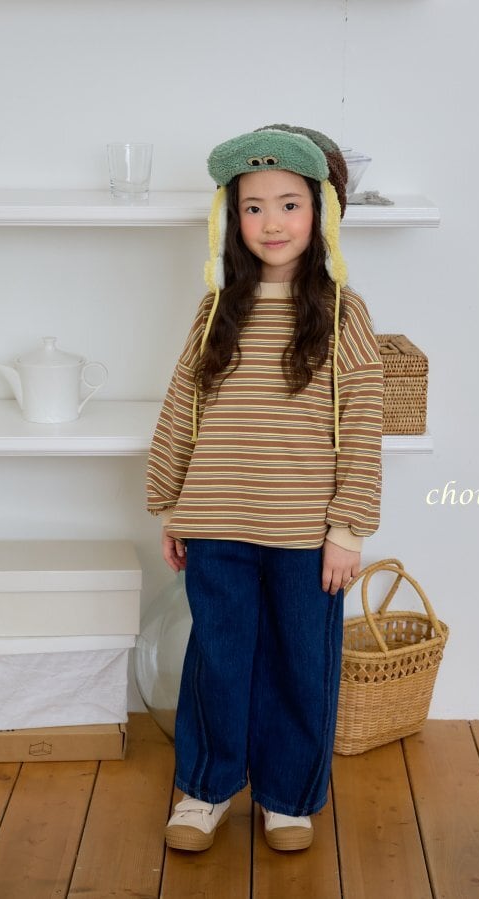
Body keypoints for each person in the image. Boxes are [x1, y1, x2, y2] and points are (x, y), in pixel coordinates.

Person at [146, 125, 383, 852]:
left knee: (301, 665)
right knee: (217, 662)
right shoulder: (216, 308)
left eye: (288, 204)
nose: (271, 222)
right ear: (231, 218)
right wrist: (171, 505)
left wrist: (348, 529)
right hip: (218, 523)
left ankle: (287, 798)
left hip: (306, 535)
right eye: (253, 207)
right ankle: (205, 789)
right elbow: (182, 407)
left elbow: (363, 421)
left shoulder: (342, 313)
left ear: (320, 213)